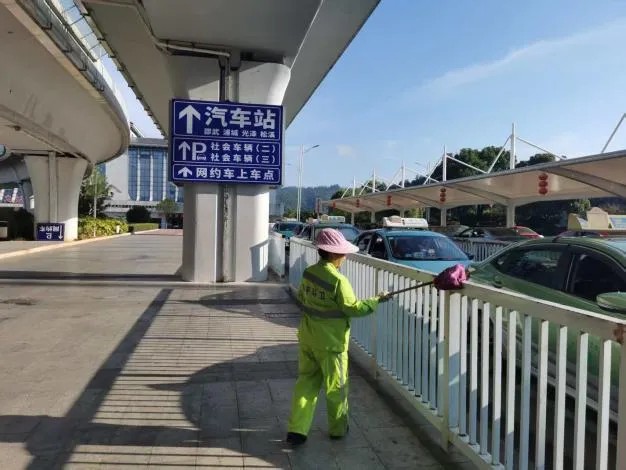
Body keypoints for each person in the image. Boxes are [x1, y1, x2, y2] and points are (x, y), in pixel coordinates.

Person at [286, 228, 391, 445]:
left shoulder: (309, 272)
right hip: (331, 344)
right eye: (342, 253)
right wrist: (376, 300)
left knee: (306, 383)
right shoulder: (338, 280)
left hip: (308, 338)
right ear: (333, 253)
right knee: (336, 388)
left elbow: (303, 298)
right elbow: (354, 308)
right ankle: (338, 429)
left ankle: (297, 429)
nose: (344, 257)